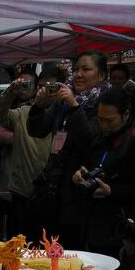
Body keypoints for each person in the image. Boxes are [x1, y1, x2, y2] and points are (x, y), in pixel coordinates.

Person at [27, 51, 111, 245]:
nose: (79, 74)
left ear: (101, 75)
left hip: (80, 188)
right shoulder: (62, 101)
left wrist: (74, 106)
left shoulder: (103, 103)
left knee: (70, 247)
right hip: (54, 185)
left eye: (86, 69)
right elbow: (37, 130)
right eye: (76, 69)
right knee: (47, 243)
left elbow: (89, 139)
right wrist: (38, 106)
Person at [69, 86, 135, 257]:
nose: (104, 125)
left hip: (120, 229)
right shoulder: (99, 140)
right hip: (93, 224)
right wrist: (80, 174)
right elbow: (88, 166)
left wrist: (112, 191)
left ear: (126, 114)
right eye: (100, 119)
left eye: (110, 120)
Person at [0, 69, 54, 236]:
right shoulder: (24, 112)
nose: (44, 91)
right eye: (40, 86)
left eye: (51, 87)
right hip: (22, 188)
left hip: (51, 192)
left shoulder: (64, 114)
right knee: (17, 238)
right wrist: (11, 92)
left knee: (43, 242)